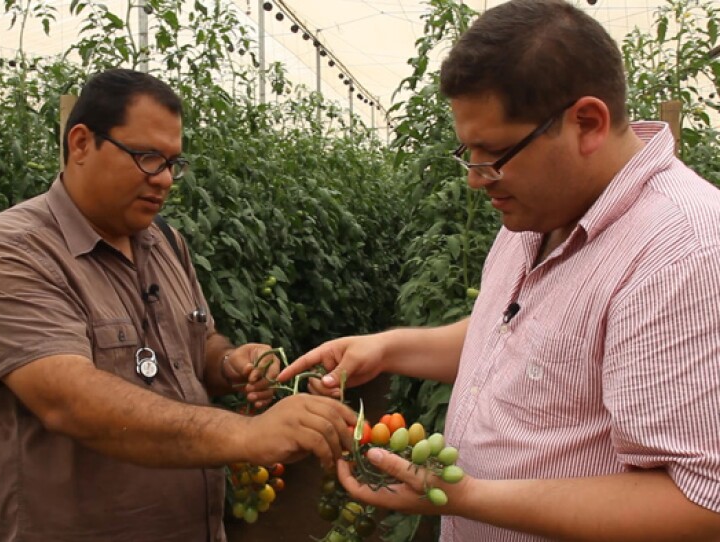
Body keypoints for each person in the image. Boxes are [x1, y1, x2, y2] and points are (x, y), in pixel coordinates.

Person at [278, 0, 720, 540]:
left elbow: (700, 504)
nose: (475, 178)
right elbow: (512, 338)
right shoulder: (541, 207)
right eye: (468, 153)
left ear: (587, 123)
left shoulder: (683, 253)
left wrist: (469, 498)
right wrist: (387, 348)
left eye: (492, 153)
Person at [0, 68, 356, 542]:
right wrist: (246, 435)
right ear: (81, 144)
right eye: (146, 158)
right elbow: (68, 401)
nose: (164, 180)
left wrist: (229, 363)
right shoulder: (10, 254)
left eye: (171, 163)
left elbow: (196, 344)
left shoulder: (164, 241)